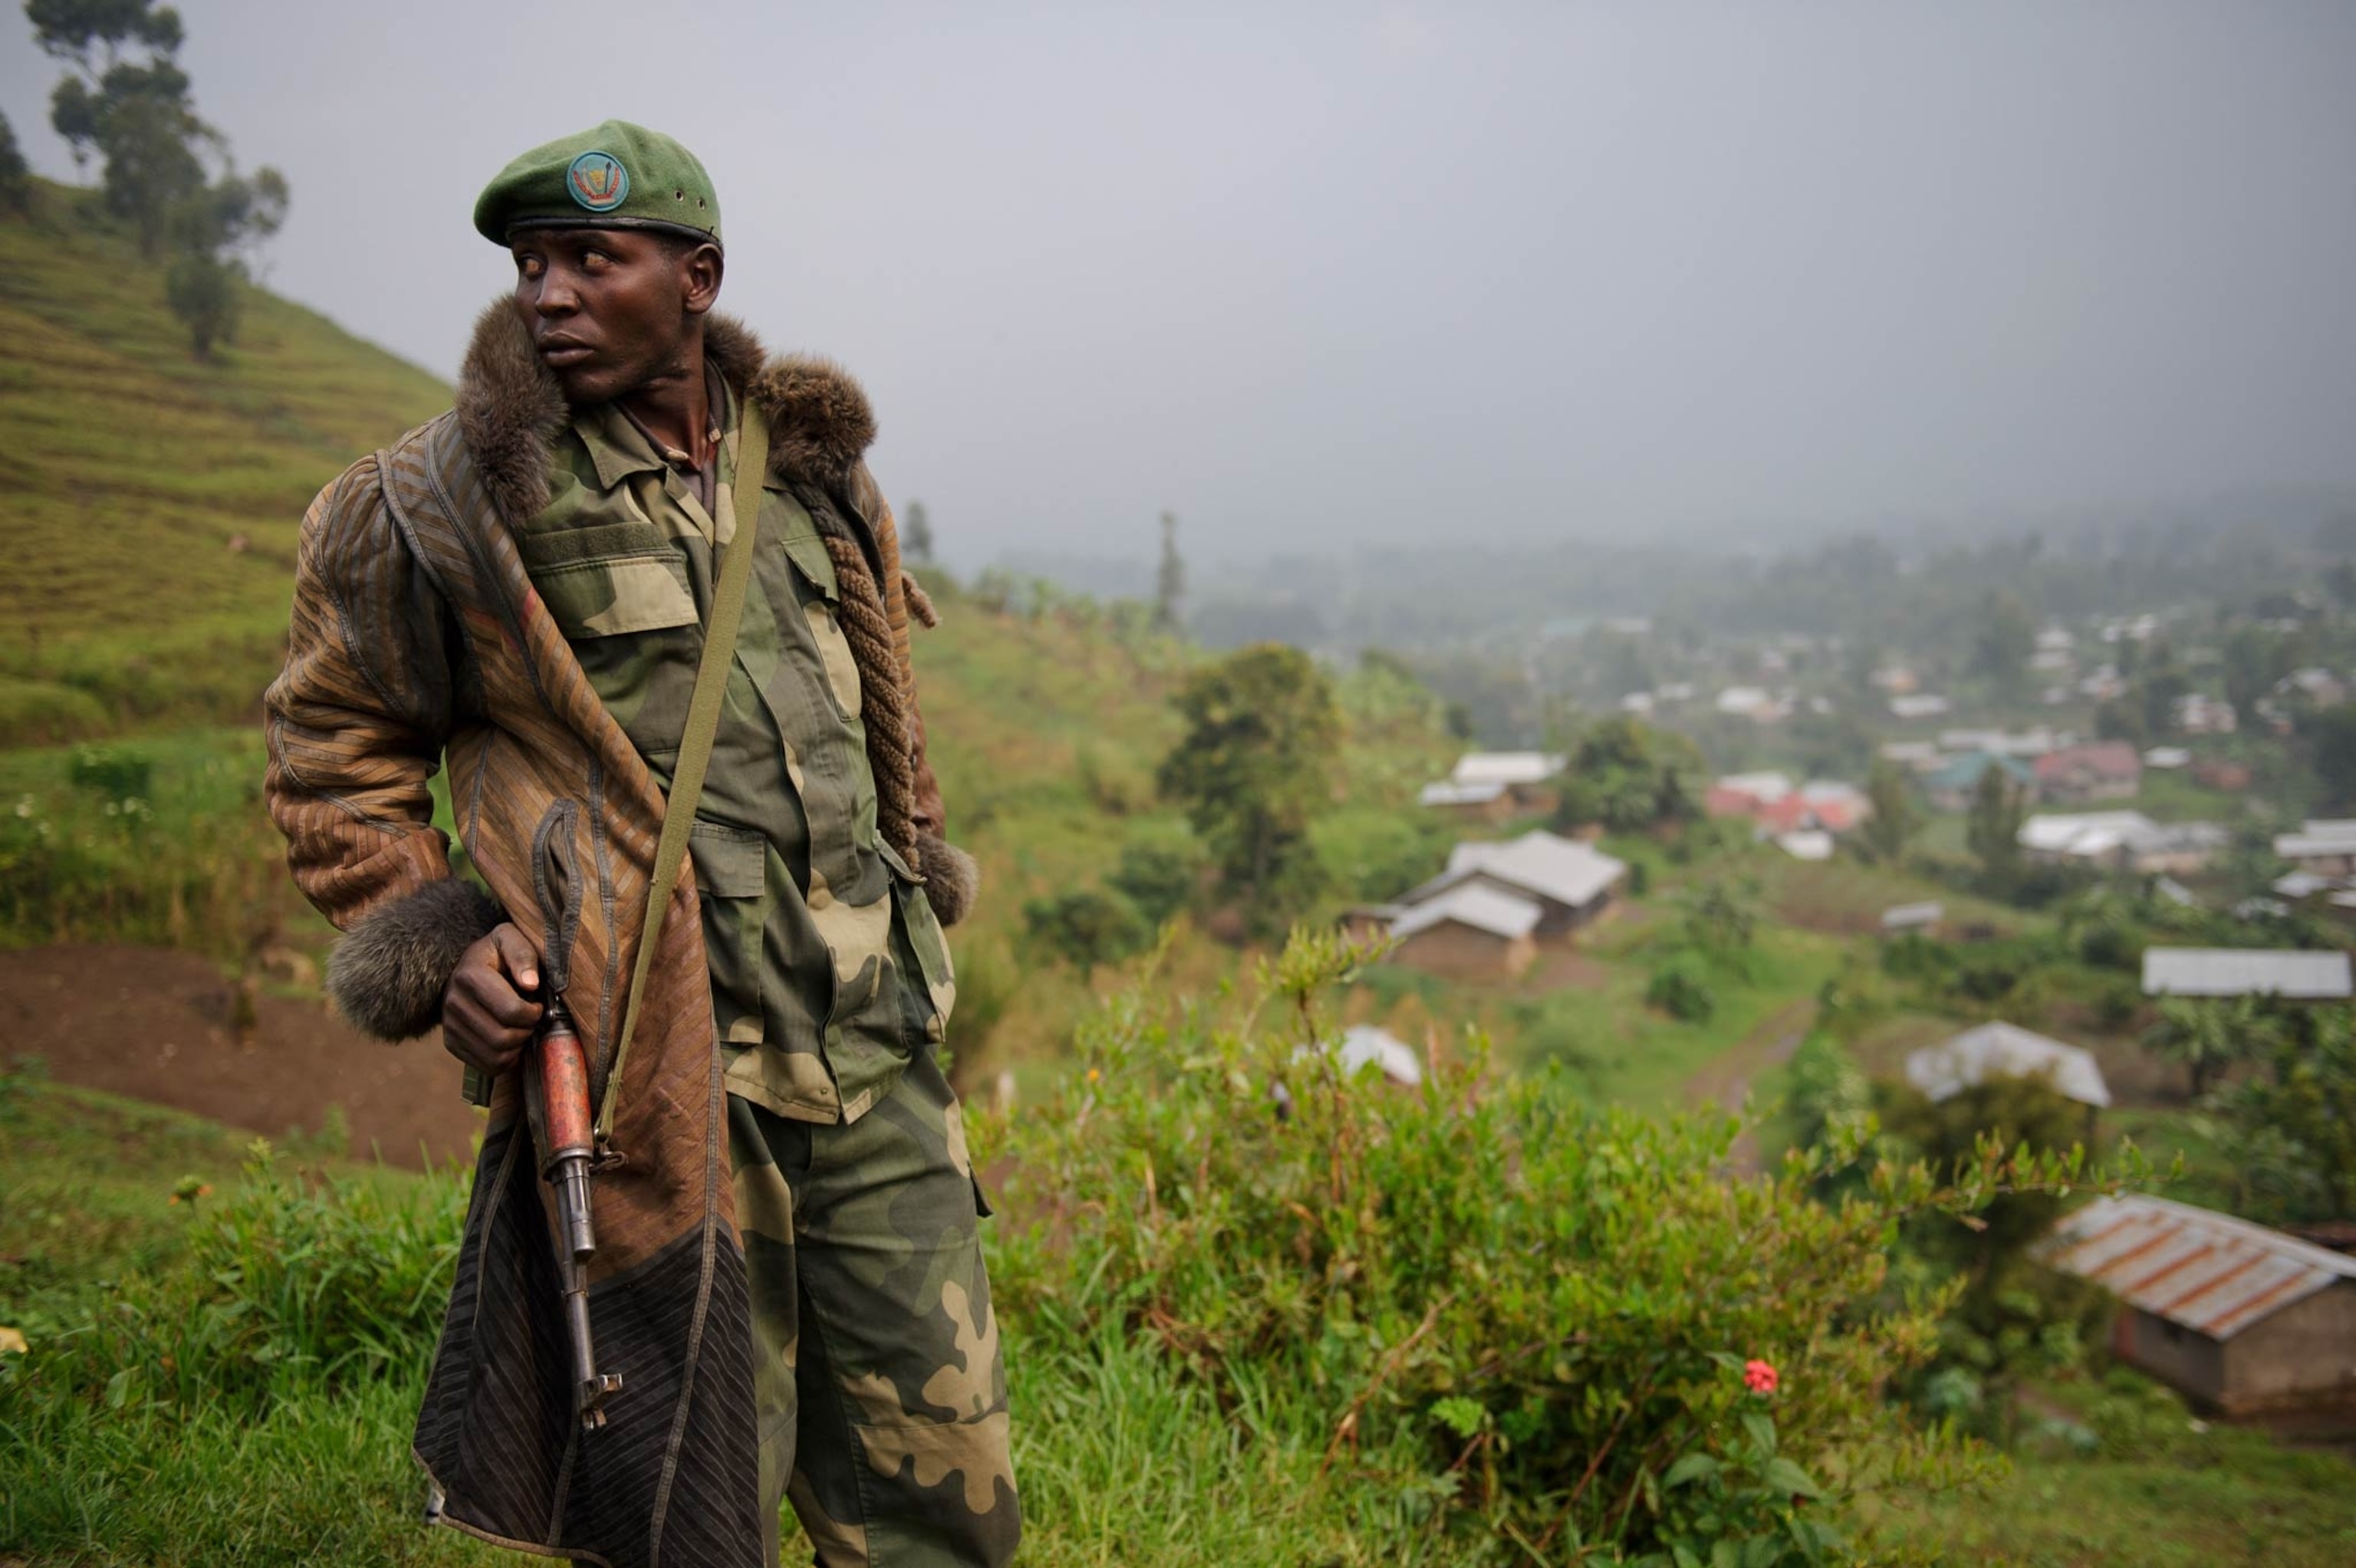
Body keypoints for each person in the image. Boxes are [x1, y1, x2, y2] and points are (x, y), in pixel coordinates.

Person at [263, 120, 1016, 1568]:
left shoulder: (812, 477)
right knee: (685, 1514)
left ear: (696, 278)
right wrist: (445, 932)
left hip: (876, 1062)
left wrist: (917, 872)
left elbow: (882, 711)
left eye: (589, 259)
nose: (545, 293)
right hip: (665, 1083)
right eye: (530, 264)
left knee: (948, 1503)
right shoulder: (453, 506)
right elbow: (331, 747)